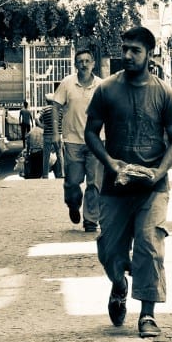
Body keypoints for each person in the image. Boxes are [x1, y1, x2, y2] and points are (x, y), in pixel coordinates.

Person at [84, 27, 172, 339]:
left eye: (135, 50)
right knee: (110, 251)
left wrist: (160, 171)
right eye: (125, 48)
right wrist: (110, 163)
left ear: (150, 55)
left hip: (152, 187)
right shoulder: (107, 90)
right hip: (115, 187)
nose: (127, 55)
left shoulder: (165, 93)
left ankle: (147, 314)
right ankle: (119, 284)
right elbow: (91, 132)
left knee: (149, 245)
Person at [53, 48, 103, 232]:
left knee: (94, 183)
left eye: (87, 61)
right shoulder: (67, 83)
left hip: (96, 142)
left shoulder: (101, 86)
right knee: (73, 182)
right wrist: (55, 134)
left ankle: (90, 220)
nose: (84, 64)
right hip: (72, 140)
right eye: (80, 61)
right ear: (75, 64)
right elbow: (56, 106)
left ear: (93, 64)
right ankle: (73, 205)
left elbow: (111, 112)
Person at [38, 101, 63, 179]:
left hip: (47, 135)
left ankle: (45, 175)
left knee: (46, 156)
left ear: (46, 101)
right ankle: (62, 173)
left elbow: (36, 118)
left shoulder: (44, 109)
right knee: (60, 154)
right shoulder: (59, 109)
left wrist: (41, 125)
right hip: (58, 134)